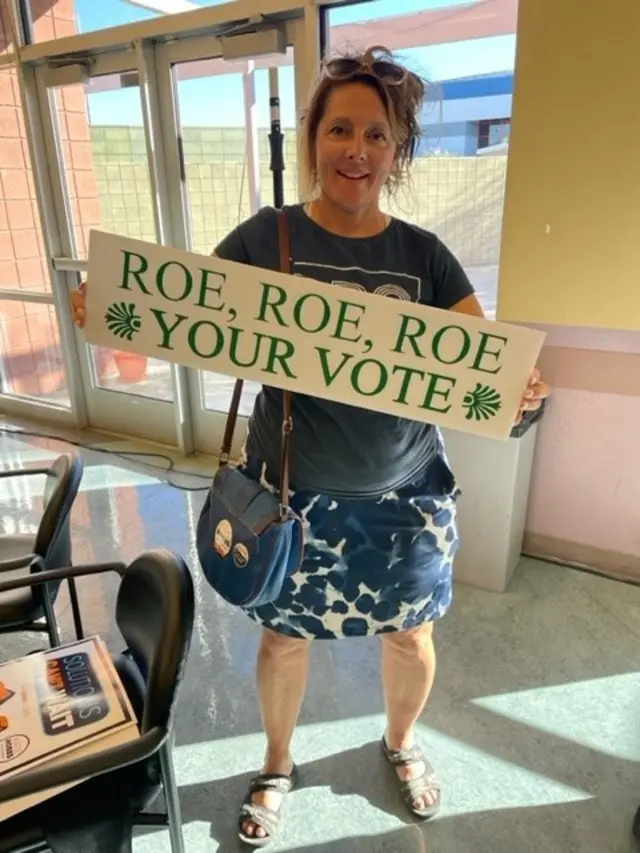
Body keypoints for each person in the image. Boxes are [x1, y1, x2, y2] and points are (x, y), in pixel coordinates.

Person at [71, 45, 550, 848]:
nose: (355, 150)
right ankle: (278, 761)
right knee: (284, 636)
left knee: (410, 634)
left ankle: (398, 742)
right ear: (313, 139)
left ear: (396, 150)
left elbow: (482, 362)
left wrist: (522, 387)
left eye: (375, 135)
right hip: (289, 497)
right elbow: (185, 318)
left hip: (406, 496)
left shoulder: (424, 254)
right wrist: (113, 307)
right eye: (339, 130)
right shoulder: (269, 237)